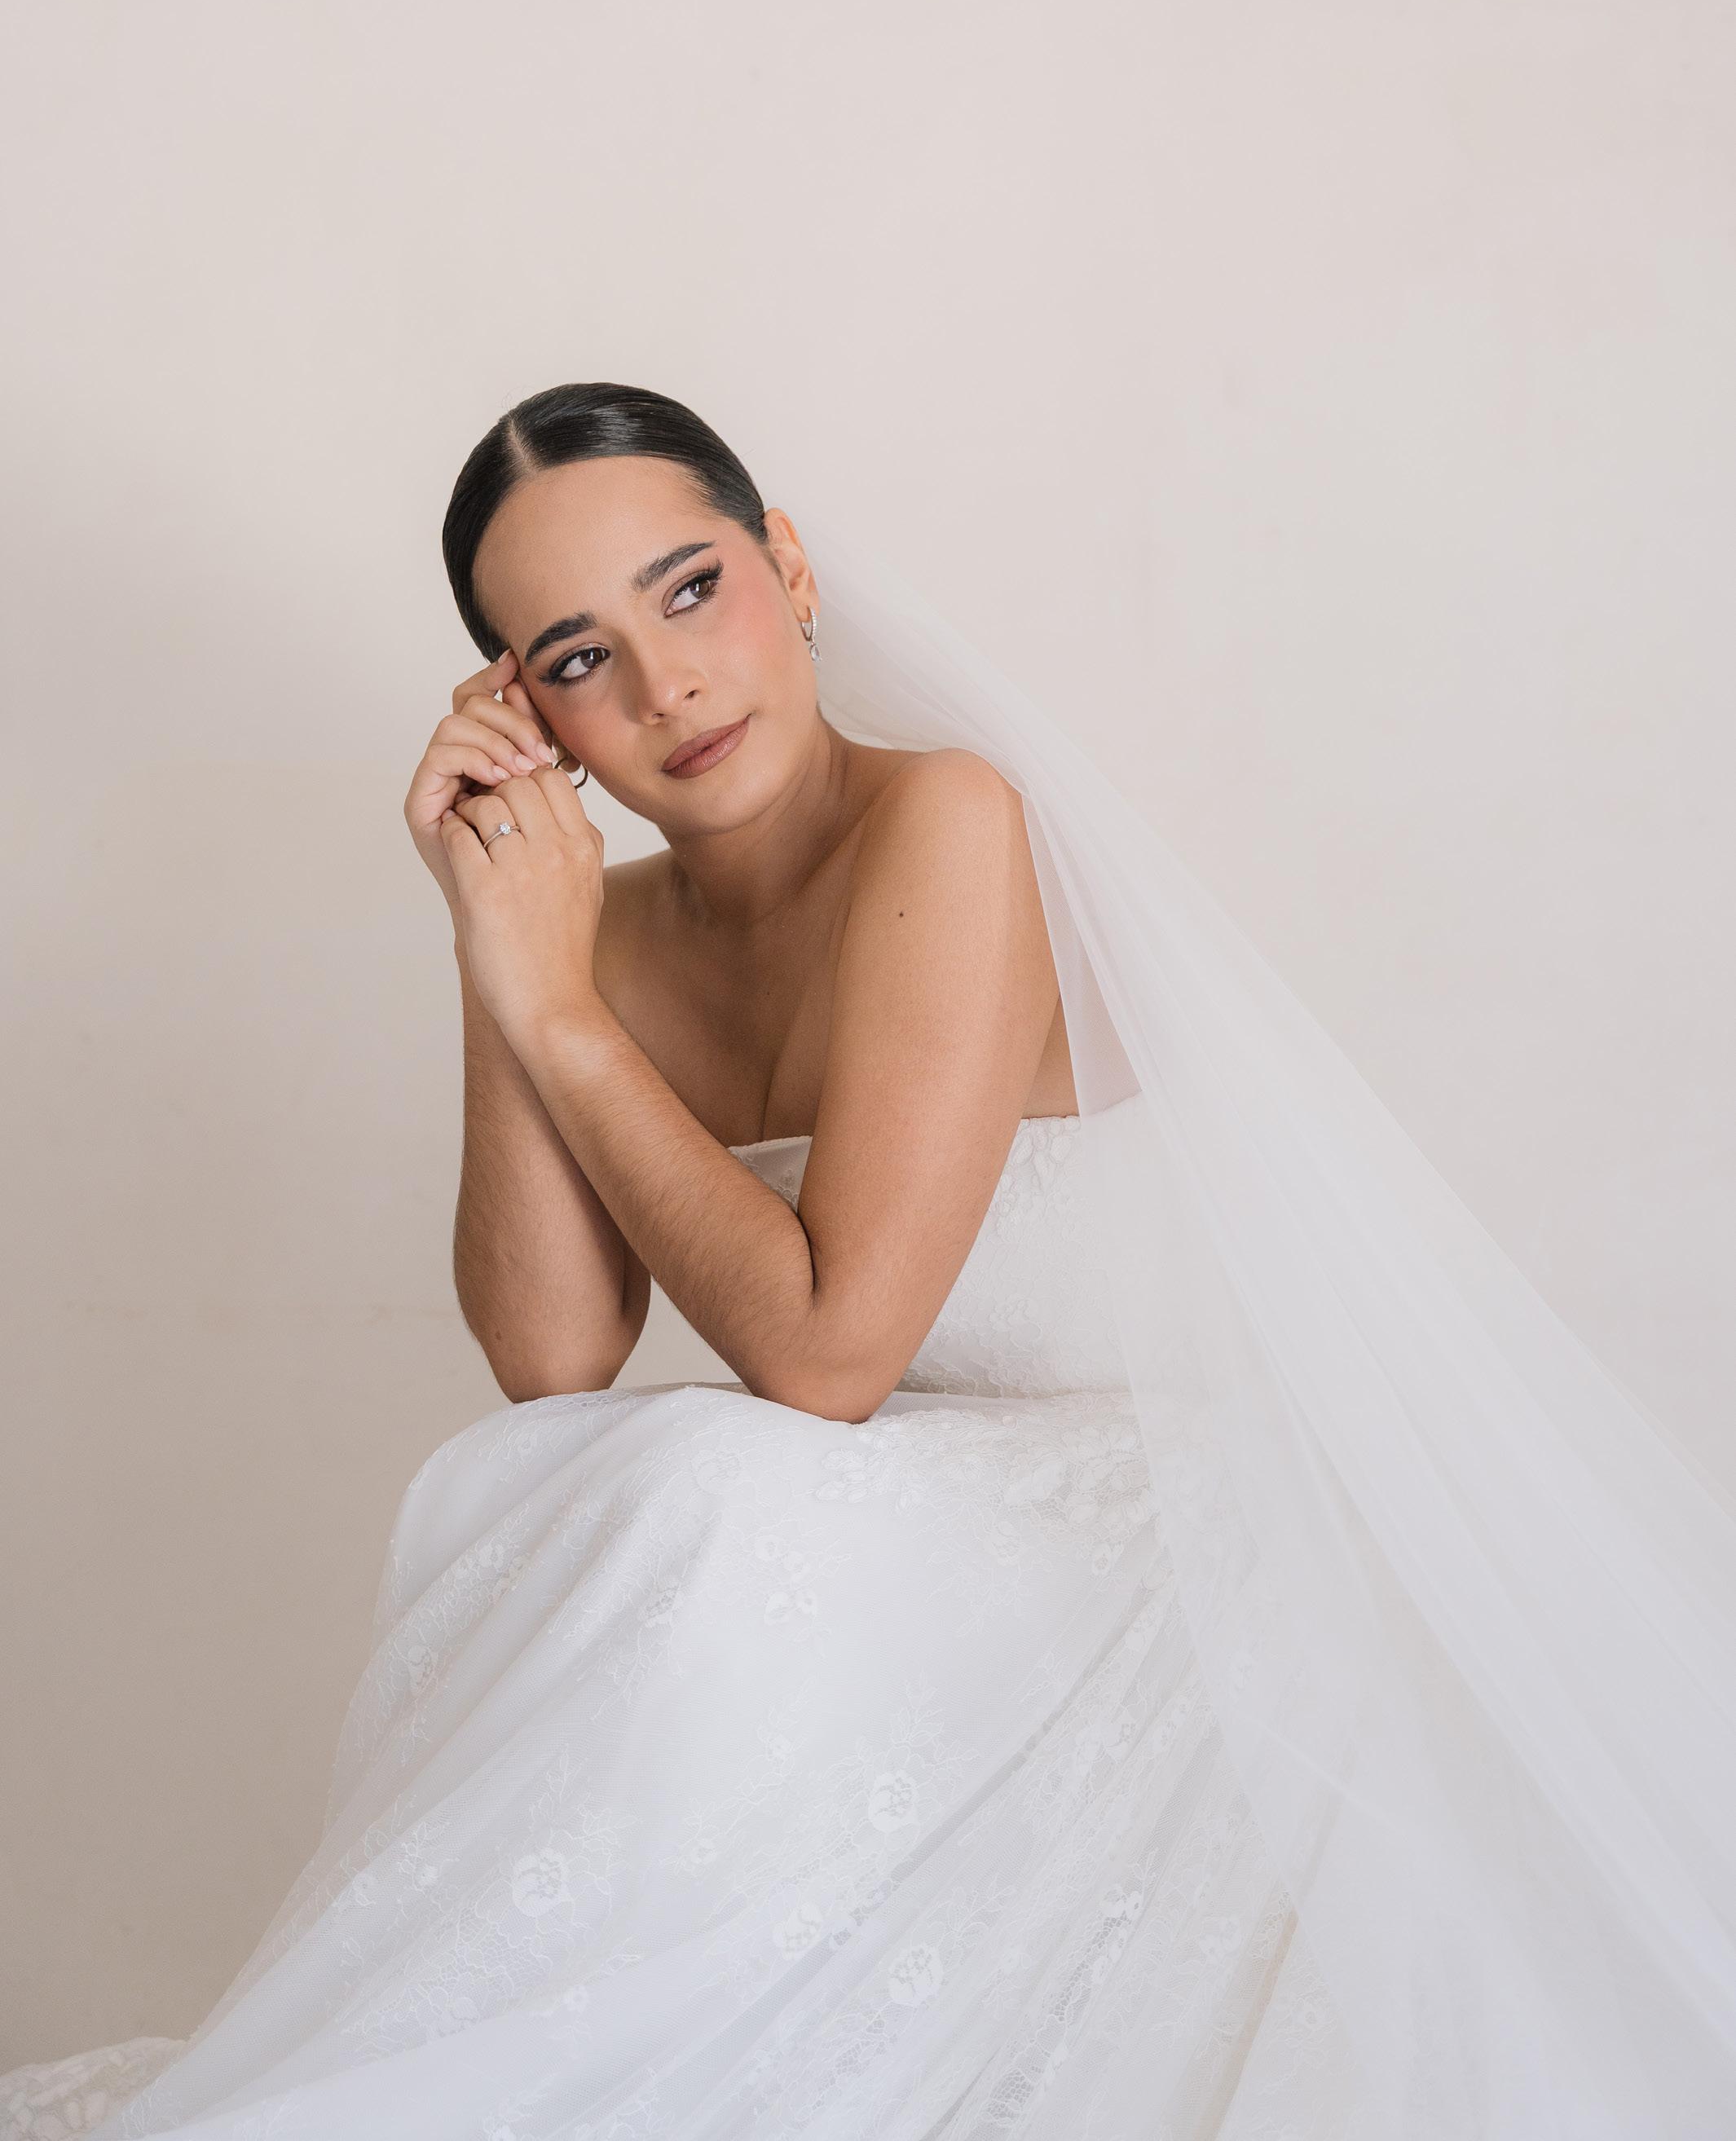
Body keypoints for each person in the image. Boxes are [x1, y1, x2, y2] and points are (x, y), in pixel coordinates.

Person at [7, 384, 1736, 2139]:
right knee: (530, 1480)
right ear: (522, 711)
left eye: (693, 589)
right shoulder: (601, 931)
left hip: (1180, 1551)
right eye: (582, 658)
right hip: (920, 1561)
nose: (669, 685)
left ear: (791, 568)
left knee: (708, 1488)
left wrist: (563, 1016)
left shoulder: (950, 823)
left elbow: (830, 1358)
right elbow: (551, 1358)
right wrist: (500, 937)